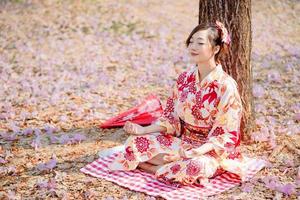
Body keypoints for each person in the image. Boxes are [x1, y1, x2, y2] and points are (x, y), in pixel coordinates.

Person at [107, 20, 251, 186]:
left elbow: (226, 133)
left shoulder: (226, 86)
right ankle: (170, 168)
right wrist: (143, 129)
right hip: (183, 143)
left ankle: (151, 168)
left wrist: (194, 153)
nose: (193, 47)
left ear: (216, 49)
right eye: (191, 42)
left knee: (197, 165)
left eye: (200, 43)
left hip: (209, 152)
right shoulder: (184, 79)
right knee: (135, 142)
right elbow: (171, 117)